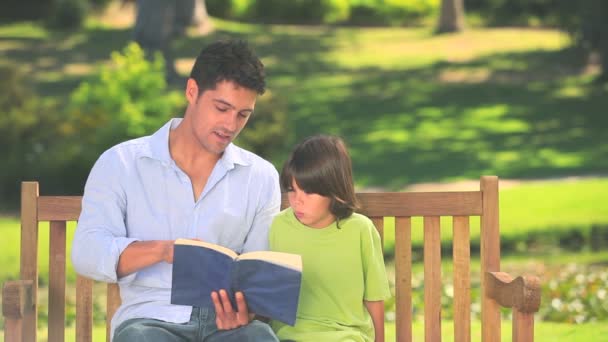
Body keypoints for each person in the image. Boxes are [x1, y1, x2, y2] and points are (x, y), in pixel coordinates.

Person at [71, 39, 281, 342]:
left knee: (260, 338)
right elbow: (87, 252)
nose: (230, 125)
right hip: (150, 320)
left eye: (243, 115)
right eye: (222, 108)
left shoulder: (260, 176)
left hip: (227, 327)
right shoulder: (122, 163)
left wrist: (247, 308)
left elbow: (257, 272)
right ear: (192, 91)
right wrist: (164, 250)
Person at [269, 135, 391, 342]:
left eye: (308, 192)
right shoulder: (278, 226)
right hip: (288, 337)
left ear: (334, 190)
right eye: (291, 189)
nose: (297, 201)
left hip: (346, 336)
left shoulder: (360, 229)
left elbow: (374, 296)